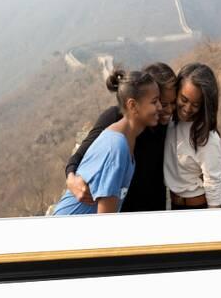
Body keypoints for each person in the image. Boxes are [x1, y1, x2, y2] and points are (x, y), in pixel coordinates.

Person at [64, 63, 177, 212]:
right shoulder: (115, 126)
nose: (166, 109)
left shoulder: (165, 125)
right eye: (159, 102)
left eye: (173, 103)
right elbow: (81, 155)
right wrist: (71, 180)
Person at [164, 63, 221, 210]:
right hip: (174, 205)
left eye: (196, 104)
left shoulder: (207, 138)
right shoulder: (169, 122)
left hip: (197, 208)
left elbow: (213, 184)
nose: (187, 109)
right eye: (183, 99)